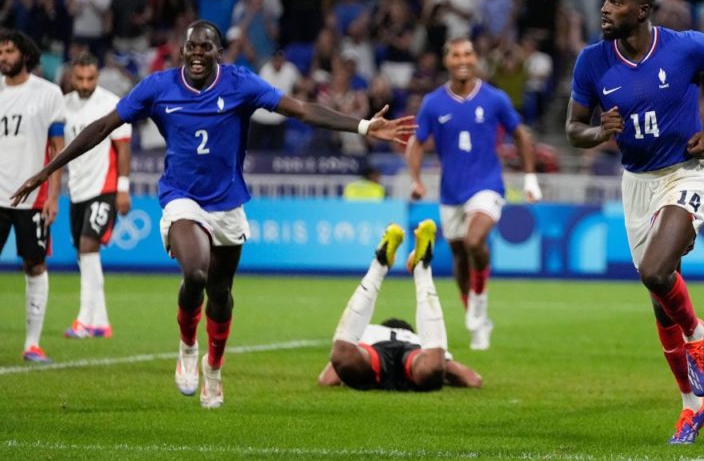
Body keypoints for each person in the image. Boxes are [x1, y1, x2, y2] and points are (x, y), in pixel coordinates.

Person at [11, 20, 415, 408]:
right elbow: (101, 127)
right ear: (183, 50)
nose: (198, 53)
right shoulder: (158, 86)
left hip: (227, 203)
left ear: (218, 52)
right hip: (180, 197)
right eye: (192, 46)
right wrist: (47, 172)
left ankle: (214, 368)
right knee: (197, 273)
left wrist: (363, 127)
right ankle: (188, 347)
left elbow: (299, 109)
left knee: (220, 295)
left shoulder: (240, 83)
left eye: (206, 47)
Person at [565, 0, 704, 445]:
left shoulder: (684, 47)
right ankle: (693, 407)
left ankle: (696, 332)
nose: (605, 8)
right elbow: (573, 129)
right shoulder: (591, 62)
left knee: (654, 271)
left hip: (685, 172)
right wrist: (600, 132)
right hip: (637, 183)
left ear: (642, 11)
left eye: (616, 1)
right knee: (658, 297)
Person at [405, 37, 543, 351]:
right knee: (458, 255)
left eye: (468, 53)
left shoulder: (494, 99)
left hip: (488, 185)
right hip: (451, 192)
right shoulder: (433, 103)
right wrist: (415, 179)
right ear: (447, 61)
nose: (463, 59)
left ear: (476, 58)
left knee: (474, 241)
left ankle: (479, 302)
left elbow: (520, 134)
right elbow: (416, 142)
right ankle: (478, 320)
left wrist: (530, 178)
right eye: (456, 54)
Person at [317, 219, 482, 391]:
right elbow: (472, 379)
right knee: (432, 367)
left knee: (344, 355)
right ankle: (422, 270)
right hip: (413, 355)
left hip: (373, 353)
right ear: (410, 331)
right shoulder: (417, 339)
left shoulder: (369, 331)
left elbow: (327, 379)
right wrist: (444, 376)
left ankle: (379, 266)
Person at [0, 29, 65, 364]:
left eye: (8, 51)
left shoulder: (48, 94)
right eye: (0, 52)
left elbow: (57, 151)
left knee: (35, 264)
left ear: (24, 54)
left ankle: (32, 344)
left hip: (33, 197)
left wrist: (53, 196)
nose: (3, 57)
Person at [61, 52, 132, 339]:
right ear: (71, 77)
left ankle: (84, 320)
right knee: (83, 254)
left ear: (97, 76)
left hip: (104, 188)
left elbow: (124, 148)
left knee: (89, 246)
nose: (86, 83)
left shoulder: (111, 105)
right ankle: (101, 322)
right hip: (77, 189)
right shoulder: (63, 106)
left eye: (91, 78)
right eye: (80, 78)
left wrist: (123, 189)